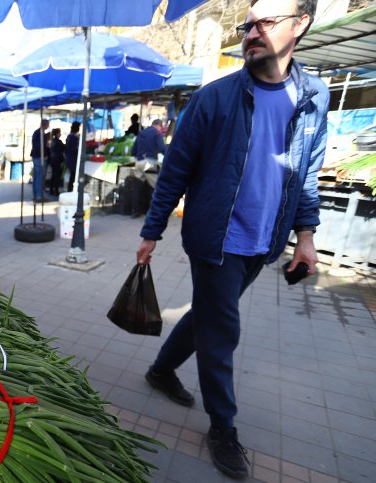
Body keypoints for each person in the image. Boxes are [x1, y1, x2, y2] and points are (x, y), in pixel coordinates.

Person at [135, 0, 326, 479]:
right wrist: (151, 231)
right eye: (248, 24)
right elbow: (176, 169)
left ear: (300, 24)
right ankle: (223, 426)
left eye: (266, 22)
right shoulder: (214, 97)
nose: (251, 32)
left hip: (266, 243)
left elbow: (307, 174)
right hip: (216, 239)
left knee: (207, 316)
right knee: (222, 332)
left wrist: (305, 235)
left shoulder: (314, 97)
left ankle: (160, 370)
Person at [30, 119, 50, 202]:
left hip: (36, 157)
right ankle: (38, 196)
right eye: (48, 124)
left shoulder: (37, 132)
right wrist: (44, 155)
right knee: (40, 177)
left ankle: (36, 195)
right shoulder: (40, 133)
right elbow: (39, 146)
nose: (48, 126)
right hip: (39, 157)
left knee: (37, 177)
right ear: (45, 125)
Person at [64, 121, 80, 192]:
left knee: (72, 176)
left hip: (69, 159)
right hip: (73, 159)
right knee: (73, 176)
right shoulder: (74, 138)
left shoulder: (69, 137)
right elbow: (75, 149)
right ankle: (70, 190)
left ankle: (69, 190)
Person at [48, 128, 65, 197]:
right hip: (57, 160)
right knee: (56, 176)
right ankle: (55, 190)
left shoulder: (52, 141)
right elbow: (63, 149)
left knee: (54, 175)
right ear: (57, 134)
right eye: (59, 133)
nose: (60, 134)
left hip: (53, 160)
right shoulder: (58, 142)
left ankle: (51, 189)